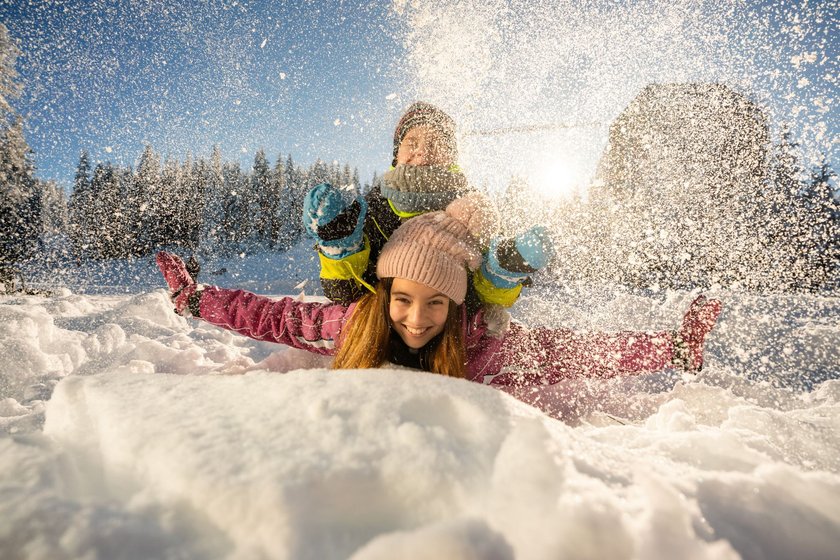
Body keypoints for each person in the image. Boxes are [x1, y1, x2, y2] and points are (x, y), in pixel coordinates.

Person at [156, 200, 722, 385]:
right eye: (403, 298)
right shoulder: (356, 324)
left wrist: (672, 348)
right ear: (385, 293)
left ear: (457, 305)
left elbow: (576, 354)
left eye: (436, 303)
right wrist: (194, 300)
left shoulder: (484, 344)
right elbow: (271, 317)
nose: (416, 318)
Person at [302, 101, 552, 312]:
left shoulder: (475, 211)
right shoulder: (372, 210)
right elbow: (344, 295)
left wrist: (502, 274)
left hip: (452, 342)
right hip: (378, 334)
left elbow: (487, 306)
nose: (422, 152)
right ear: (396, 154)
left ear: (451, 157)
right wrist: (340, 249)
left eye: (435, 144)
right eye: (412, 142)